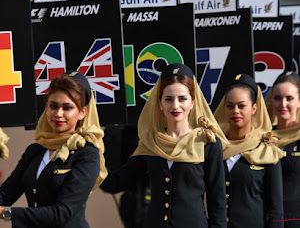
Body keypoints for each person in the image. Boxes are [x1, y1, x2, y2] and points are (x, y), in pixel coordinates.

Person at [101, 63, 228, 228]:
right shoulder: (151, 143)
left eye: (182, 98)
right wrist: (95, 148)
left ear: (192, 102)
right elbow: (115, 183)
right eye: (168, 99)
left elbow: (217, 201)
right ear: (159, 103)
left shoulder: (207, 143)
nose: (175, 105)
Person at [0, 71, 107, 227]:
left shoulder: (87, 154)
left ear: (82, 112)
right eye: (53, 106)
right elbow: (7, 193)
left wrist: (6, 212)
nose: (58, 114)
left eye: (67, 108)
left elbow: (62, 212)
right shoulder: (35, 150)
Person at [214, 74, 285, 228]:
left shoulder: (266, 149)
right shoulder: (213, 148)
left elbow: (275, 209)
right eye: (230, 106)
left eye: (241, 105)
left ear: (254, 108)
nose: (235, 111)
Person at [268, 72, 300, 227]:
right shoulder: (263, 138)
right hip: (268, 220)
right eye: (277, 98)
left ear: (299, 101)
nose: (282, 104)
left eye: (289, 98)